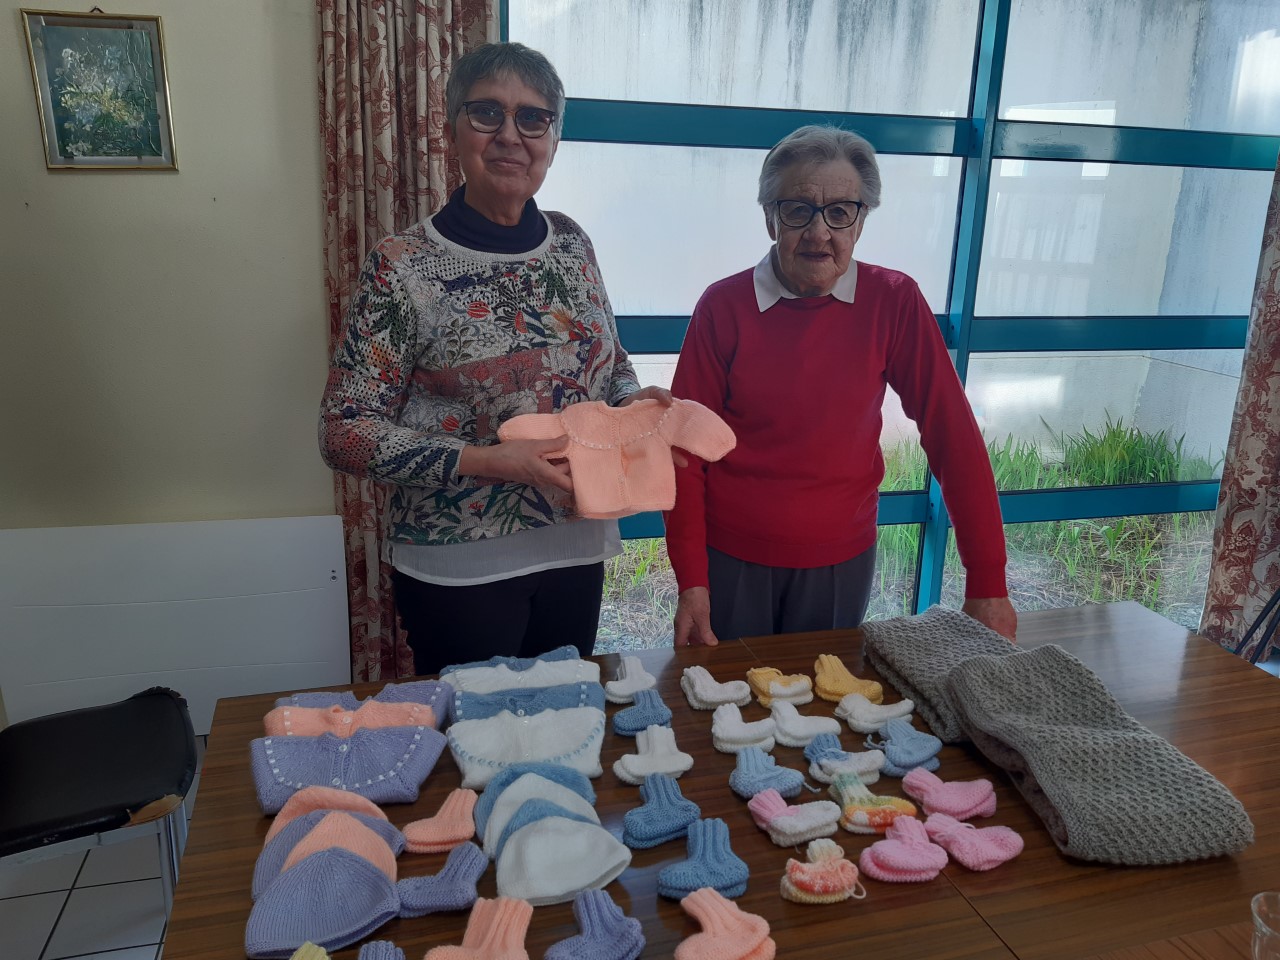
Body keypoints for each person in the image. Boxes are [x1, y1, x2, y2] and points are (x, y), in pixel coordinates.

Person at [319, 42, 669, 675]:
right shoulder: (403, 266)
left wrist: (630, 402)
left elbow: (611, 363)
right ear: (452, 129)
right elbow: (343, 432)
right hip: (460, 568)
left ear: (553, 140)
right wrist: (485, 461)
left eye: (532, 118)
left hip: (579, 546)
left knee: (567, 716)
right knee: (479, 730)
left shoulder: (572, 243)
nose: (511, 135)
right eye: (487, 113)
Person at [664, 125, 1017, 647]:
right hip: (730, 560)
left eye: (840, 212)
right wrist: (692, 582)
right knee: (726, 694)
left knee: (827, 691)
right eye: (797, 210)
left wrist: (987, 581)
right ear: (770, 218)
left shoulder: (894, 301)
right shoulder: (723, 307)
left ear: (861, 221)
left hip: (841, 563)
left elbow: (952, 434)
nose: (819, 232)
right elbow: (683, 453)